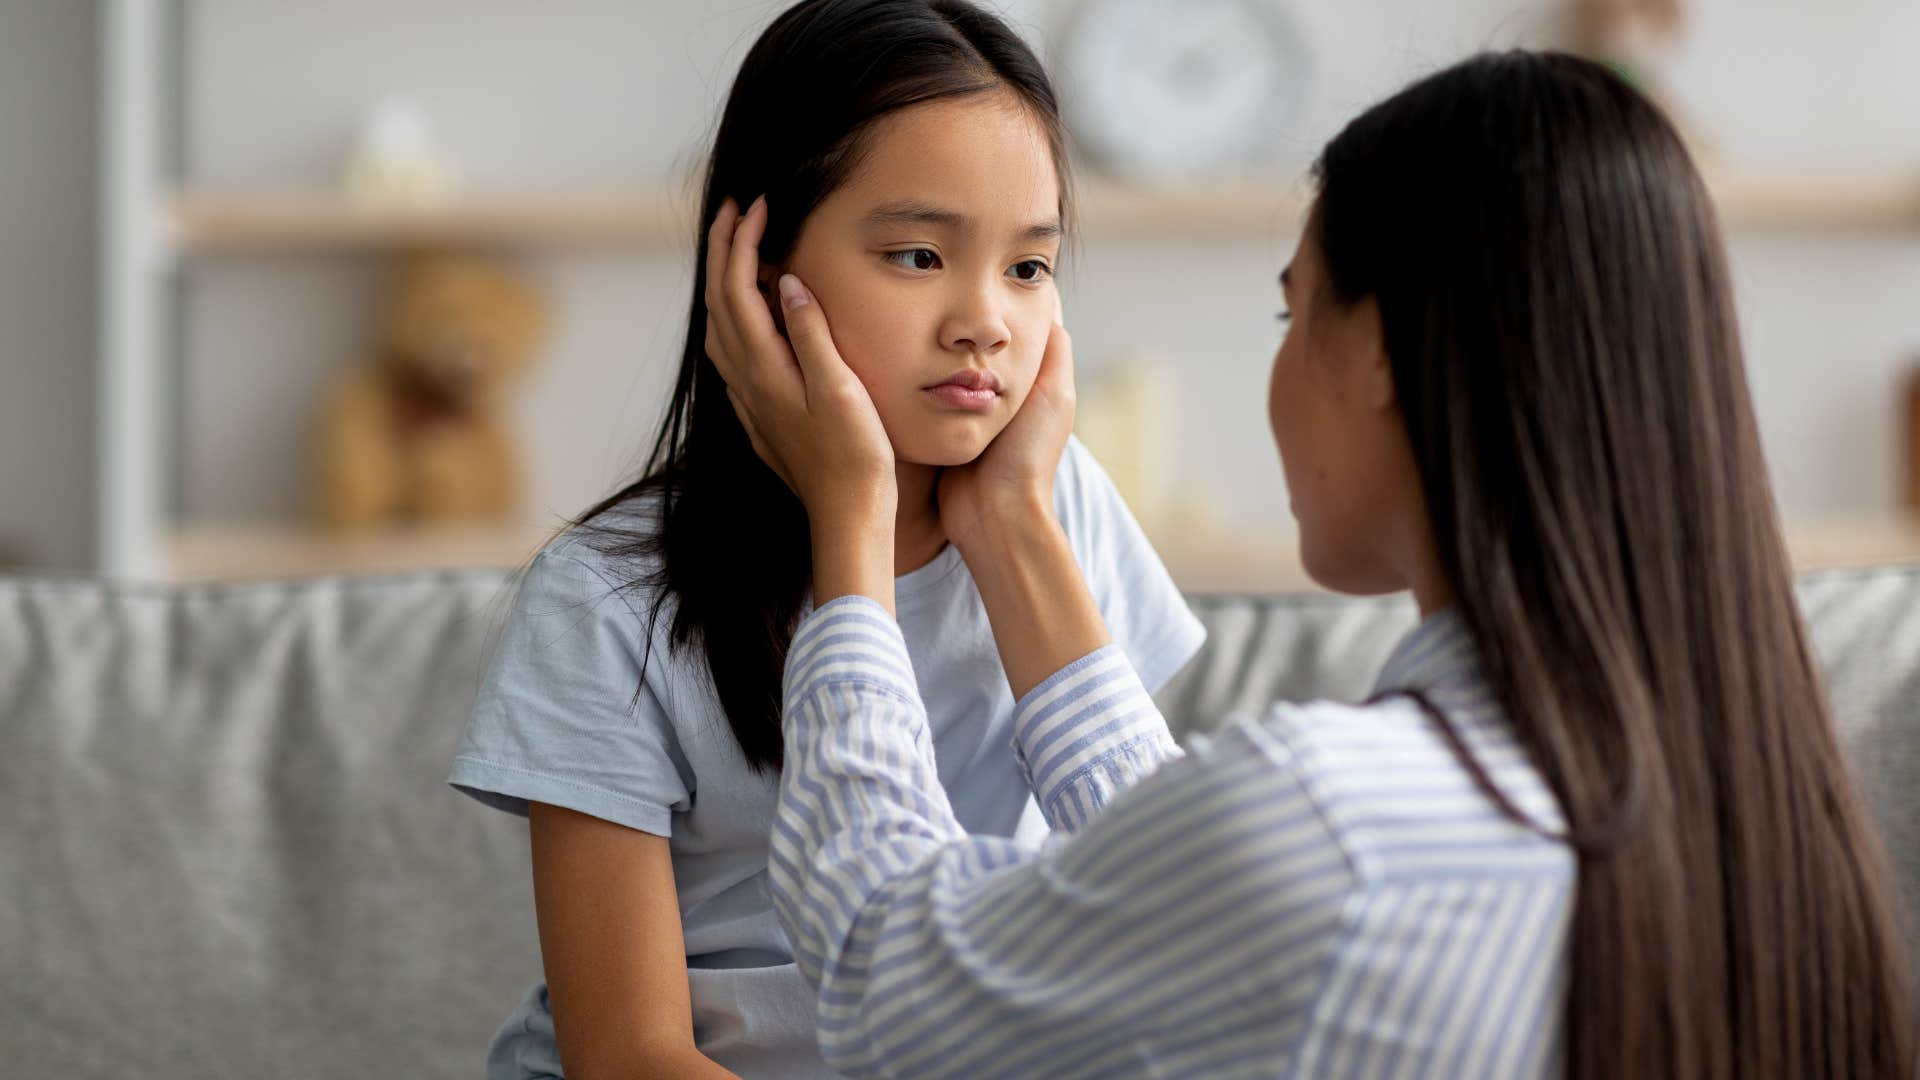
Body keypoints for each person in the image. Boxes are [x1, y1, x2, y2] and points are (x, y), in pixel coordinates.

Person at [708, 50, 1918, 1079]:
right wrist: (1016, 524)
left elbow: (886, 981)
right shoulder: (1752, 813)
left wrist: (851, 530)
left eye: (1295, 315)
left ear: (1382, 348)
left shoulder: (1331, 819)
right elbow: (1199, 896)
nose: (993, 315)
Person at [444, 1, 1205, 1076]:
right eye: (916, 254)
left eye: (1028, 268)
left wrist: (1016, 527)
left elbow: (1172, 918)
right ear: (757, 270)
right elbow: (627, 1056)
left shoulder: (1058, 510)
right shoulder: (607, 599)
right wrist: (852, 508)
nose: (984, 317)